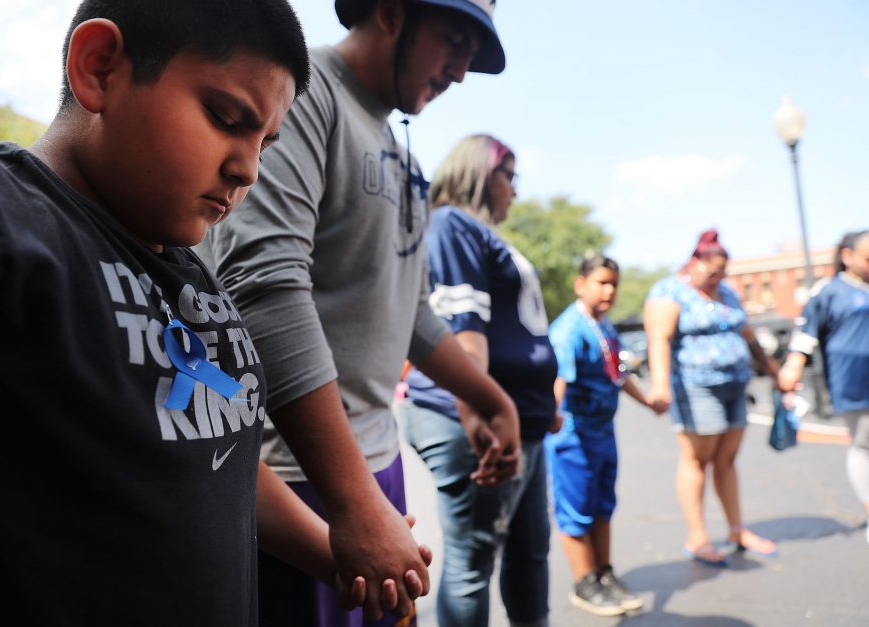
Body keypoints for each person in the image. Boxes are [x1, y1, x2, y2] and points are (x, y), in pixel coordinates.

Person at [0, 1, 429, 623]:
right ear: (99, 67)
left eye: (265, 143)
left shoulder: (191, 273)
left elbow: (215, 452)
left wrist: (334, 552)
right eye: (225, 118)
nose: (246, 169)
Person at [197, 1, 521, 625]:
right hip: (296, 473)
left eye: (471, 58)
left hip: (375, 466)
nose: (458, 73)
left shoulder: (406, 154)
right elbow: (264, 285)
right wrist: (352, 503)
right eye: (452, 41)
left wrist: (489, 399)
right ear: (392, 13)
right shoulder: (302, 95)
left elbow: (412, 313)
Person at [396, 135, 556, 627]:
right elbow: (462, 334)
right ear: (482, 174)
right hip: (473, 419)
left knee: (530, 553)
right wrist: (479, 410)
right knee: (473, 563)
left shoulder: (483, 233)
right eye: (510, 175)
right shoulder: (452, 225)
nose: (515, 190)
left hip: (519, 421)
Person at [644, 229, 781, 566]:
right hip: (696, 387)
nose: (717, 278)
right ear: (694, 262)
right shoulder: (669, 291)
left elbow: (749, 337)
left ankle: (737, 529)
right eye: (712, 271)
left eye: (722, 272)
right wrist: (659, 385)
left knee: (727, 460)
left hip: (734, 386)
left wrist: (776, 374)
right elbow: (658, 339)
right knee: (696, 461)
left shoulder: (727, 293)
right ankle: (698, 536)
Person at [546, 254, 656, 616]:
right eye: (602, 282)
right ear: (581, 284)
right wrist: (550, 417)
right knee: (576, 509)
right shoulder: (570, 329)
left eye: (614, 284)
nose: (609, 290)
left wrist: (650, 402)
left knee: (602, 506)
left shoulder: (604, 326)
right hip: (573, 435)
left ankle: (604, 574)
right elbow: (558, 378)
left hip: (603, 433)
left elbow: (618, 374)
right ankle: (585, 583)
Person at [778, 230, 869, 543]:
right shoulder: (830, 291)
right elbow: (807, 331)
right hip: (854, 380)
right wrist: (793, 365)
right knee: (864, 443)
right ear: (848, 256)